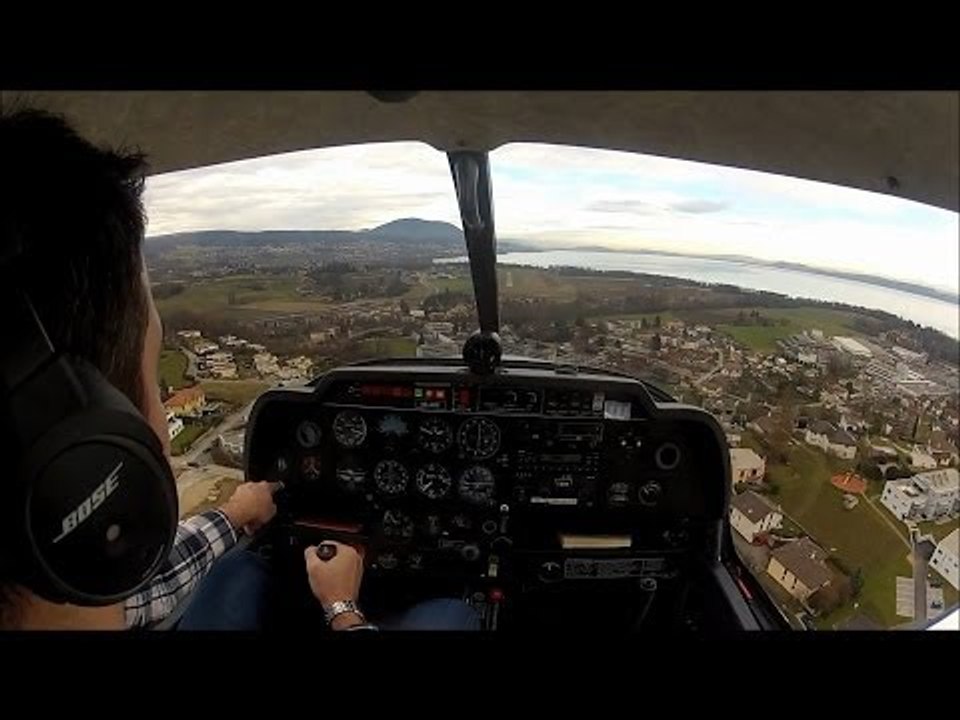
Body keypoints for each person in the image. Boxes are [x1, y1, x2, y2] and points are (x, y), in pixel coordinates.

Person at [0, 108, 478, 631]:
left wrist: (235, 515)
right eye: (153, 378)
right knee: (450, 612)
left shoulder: (64, 589)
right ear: (87, 486)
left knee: (242, 569)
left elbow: (146, 591)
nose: (159, 433)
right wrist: (342, 606)